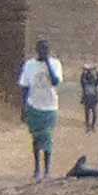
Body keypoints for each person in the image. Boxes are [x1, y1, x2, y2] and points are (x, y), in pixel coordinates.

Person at [19, 38, 63, 180]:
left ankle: (47, 170)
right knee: (36, 138)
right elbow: (25, 86)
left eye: (46, 49)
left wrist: (47, 64)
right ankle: (37, 168)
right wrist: (23, 108)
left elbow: (55, 82)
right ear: (36, 50)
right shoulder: (29, 65)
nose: (43, 51)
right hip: (33, 105)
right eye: (41, 49)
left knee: (47, 136)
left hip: (50, 106)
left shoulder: (55, 64)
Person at [79, 63, 98, 133]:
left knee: (89, 114)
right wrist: (95, 71)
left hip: (88, 99)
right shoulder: (93, 84)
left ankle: (90, 126)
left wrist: (85, 72)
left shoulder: (86, 84)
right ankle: (90, 126)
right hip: (92, 99)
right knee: (92, 113)